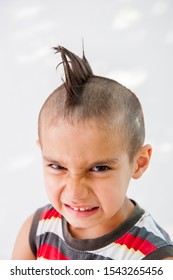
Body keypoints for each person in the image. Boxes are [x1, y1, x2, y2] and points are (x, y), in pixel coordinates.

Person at [12, 45, 173, 260]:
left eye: (99, 168)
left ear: (139, 162)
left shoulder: (153, 259)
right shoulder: (37, 231)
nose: (75, 192)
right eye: (57, 166)